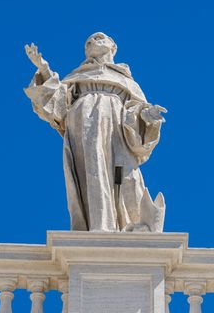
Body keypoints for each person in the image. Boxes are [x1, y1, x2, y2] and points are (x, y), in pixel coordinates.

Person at [25, 32, 166, 232]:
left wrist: (148, 116)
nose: (93, 41)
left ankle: (132, 225)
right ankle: (100, 226)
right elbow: (58, 104)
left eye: (99, 38)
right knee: (93, 171)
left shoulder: (125, 79)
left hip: (118, 123)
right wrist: (44, 69)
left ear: (113, 46)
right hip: (83, 123)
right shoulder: (78, 75)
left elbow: (136, 110)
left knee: (127, 175)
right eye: (88, 41)